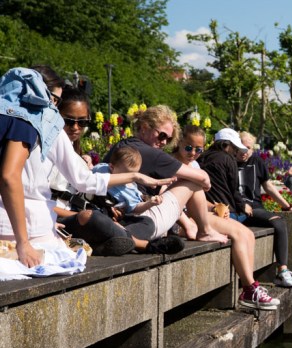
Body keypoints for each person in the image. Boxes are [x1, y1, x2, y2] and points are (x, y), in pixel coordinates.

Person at [0, 66, 174, 267]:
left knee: (130, 221)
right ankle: (137, 243)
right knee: (91, 224)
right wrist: (23, 243)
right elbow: (10, 177)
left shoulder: (9, 116)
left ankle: (125, 240)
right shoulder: (37, 122)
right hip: (29, 229)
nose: (52, 108)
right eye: (54, 101)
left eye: (82, 122)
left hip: (27, 224)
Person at [108, 105, 228, 244]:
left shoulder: (124, 144)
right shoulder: (147, 152)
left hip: (126, 214)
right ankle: (205, 231)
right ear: (145, 127)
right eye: (162, 135)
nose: (164, 142)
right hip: (142, 219)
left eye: (169, 139)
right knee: (193, 182)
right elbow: (203, 178)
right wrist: (205, 185)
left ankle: (191, 226)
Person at [194, 128, 282, 309]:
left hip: (209, 208)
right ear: (227, 146)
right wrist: (243, 207)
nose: (237, 153)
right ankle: (250, 287)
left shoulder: (200, 160)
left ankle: (251, 286)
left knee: (247, 234)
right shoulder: (228, 160)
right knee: (244, 233)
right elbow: (234, 191)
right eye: (235, 148)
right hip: (223, 211)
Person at [223, 130, 292, 288]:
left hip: (254, 208)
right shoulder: (227, 160)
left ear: (253, 149)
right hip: (234, 208)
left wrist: (287, 206)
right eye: (241, 146)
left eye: (248, 147)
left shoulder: (257, 161)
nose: (244, 151)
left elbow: (268, 187)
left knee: (279, 223)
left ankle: (282, 271)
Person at [169, 123, 205, 238]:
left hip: (190, 214)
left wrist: (215, 207)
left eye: (198, 150)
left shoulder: (195, 165)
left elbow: (198, 198)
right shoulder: (169, 163)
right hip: (175, 217)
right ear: (179, 142)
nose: (193, 153)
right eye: (188, 148)